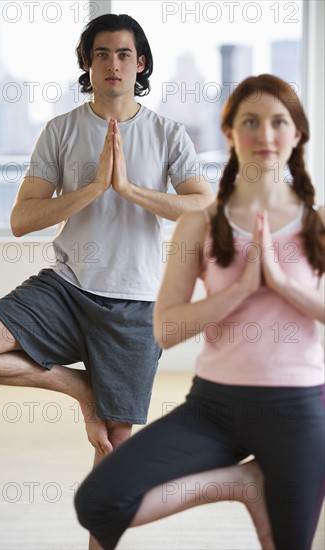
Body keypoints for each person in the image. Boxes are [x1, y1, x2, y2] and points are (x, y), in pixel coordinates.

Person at [0, 13, 215, 550]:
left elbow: (202, 205)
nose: (113, 63)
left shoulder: (168, 132)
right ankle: (81, 388)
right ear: (86, 63)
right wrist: (95, 187)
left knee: (114, 453)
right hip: (66, 287)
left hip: (136, 305)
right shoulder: (62, 130)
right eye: (101, 54)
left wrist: (129, 189)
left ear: (140, 63)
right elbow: (21, 219)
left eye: (124, 54)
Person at [74, 74, 325, 550]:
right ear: (230, 132)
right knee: (99, 500)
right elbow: (166, 330)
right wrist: (242, 289)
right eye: (250, 121)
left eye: (278, 122)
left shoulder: (318, 223)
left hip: (298, 409)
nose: (265, 135)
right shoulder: (200, 222)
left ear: (297, 134)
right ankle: (240, 483)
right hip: (215, 408)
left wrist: (282, 283)